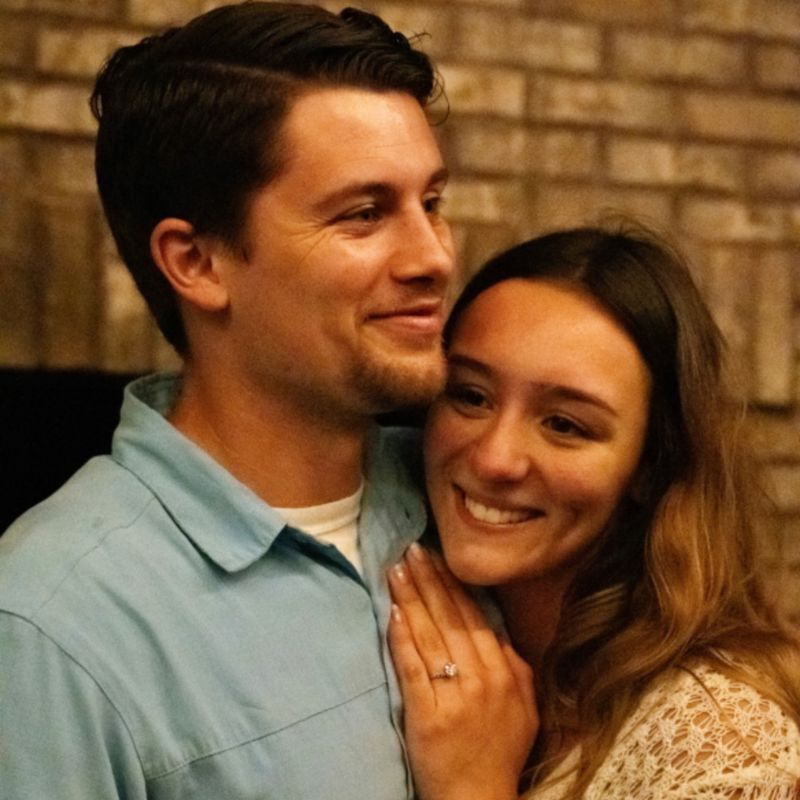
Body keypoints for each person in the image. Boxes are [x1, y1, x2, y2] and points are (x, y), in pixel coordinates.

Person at [0, 3, 455, 798]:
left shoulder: (475, 503)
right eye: (364, 214)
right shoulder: (51, 624)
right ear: (197, 262)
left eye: (433, 202)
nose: (433, 256)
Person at [387, 224, 800, 799]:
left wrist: (471, 788)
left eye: (564, 424)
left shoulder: (723, 744)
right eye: (471, 396)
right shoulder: (398, 606)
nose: (494, 458)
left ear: (650, 466)